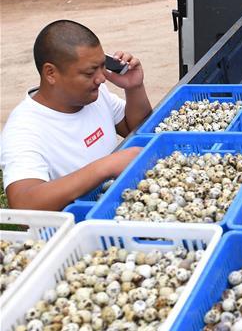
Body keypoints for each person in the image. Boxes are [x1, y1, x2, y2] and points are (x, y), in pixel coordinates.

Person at [0, 20, 152, 210]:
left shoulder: (95, 94)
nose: (101, 78)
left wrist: (134, 88)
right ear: (51, 73)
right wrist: (103, 168)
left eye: (102, 67)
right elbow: (24, 204)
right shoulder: (24, 129)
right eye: (89, 72)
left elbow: (136, 129)